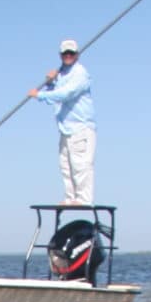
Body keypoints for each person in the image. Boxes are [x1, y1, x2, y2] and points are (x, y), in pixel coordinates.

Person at [28, 39, 96, 206]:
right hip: (65, 128)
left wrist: (40, 95)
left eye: (71, 53)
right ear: (60, 55)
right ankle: (70, 197)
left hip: (81, 128)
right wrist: (50, 83)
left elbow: (66, 94)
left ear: (77, 55)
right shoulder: (62, 74)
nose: (68, 56)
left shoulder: (80, 73)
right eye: (65, 53)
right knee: (66, 166)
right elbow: (55, 97)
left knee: (80, 165)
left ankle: (83, 199)